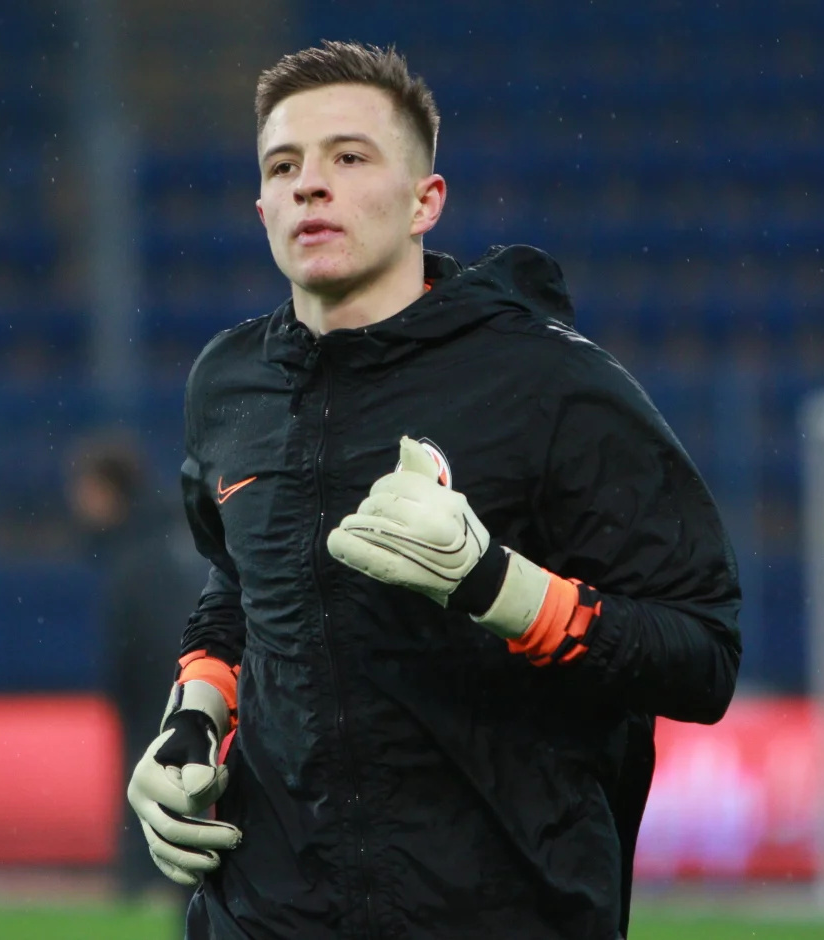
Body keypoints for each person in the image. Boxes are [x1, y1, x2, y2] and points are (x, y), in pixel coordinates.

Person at [125, 41, 741, 939]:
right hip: (266, 911)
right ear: (261, 208)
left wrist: (499, 586)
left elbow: (704, 655)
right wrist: (193, 713)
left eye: (349, 157)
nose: (310, 185)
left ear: (426, 201)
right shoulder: (226, 384)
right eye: (284, 166)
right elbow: (240, 584)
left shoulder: (549, 382)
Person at [65, 431, 206, 906]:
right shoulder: (171, 538)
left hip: (160, 715)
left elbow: (144, 650)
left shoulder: (137, 558)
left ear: (108, 490)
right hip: (191, 704)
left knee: (178, 861)